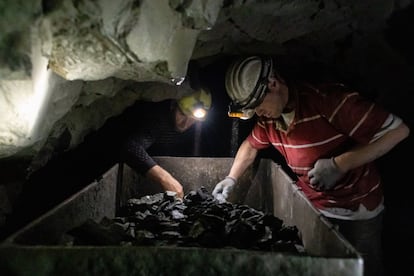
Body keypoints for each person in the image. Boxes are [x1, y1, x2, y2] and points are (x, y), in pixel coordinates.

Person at [212, 55, 410, 276]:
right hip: (315, 209)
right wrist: (232, 177)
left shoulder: (328, 101)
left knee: (363, 270)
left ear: (273, 84)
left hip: (357, 209)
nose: (258, 113)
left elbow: (398, 131)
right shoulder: (269, 120)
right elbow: (250, 146)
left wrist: (340, 164)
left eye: (258, 105)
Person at [121, 87, 212, 199]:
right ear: (173, 105)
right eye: (183, 114)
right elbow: (130, 146)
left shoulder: (197, 129)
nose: (185, 124)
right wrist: (165, 178)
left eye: (193, 119)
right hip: (145, 182)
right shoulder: (158, 118)